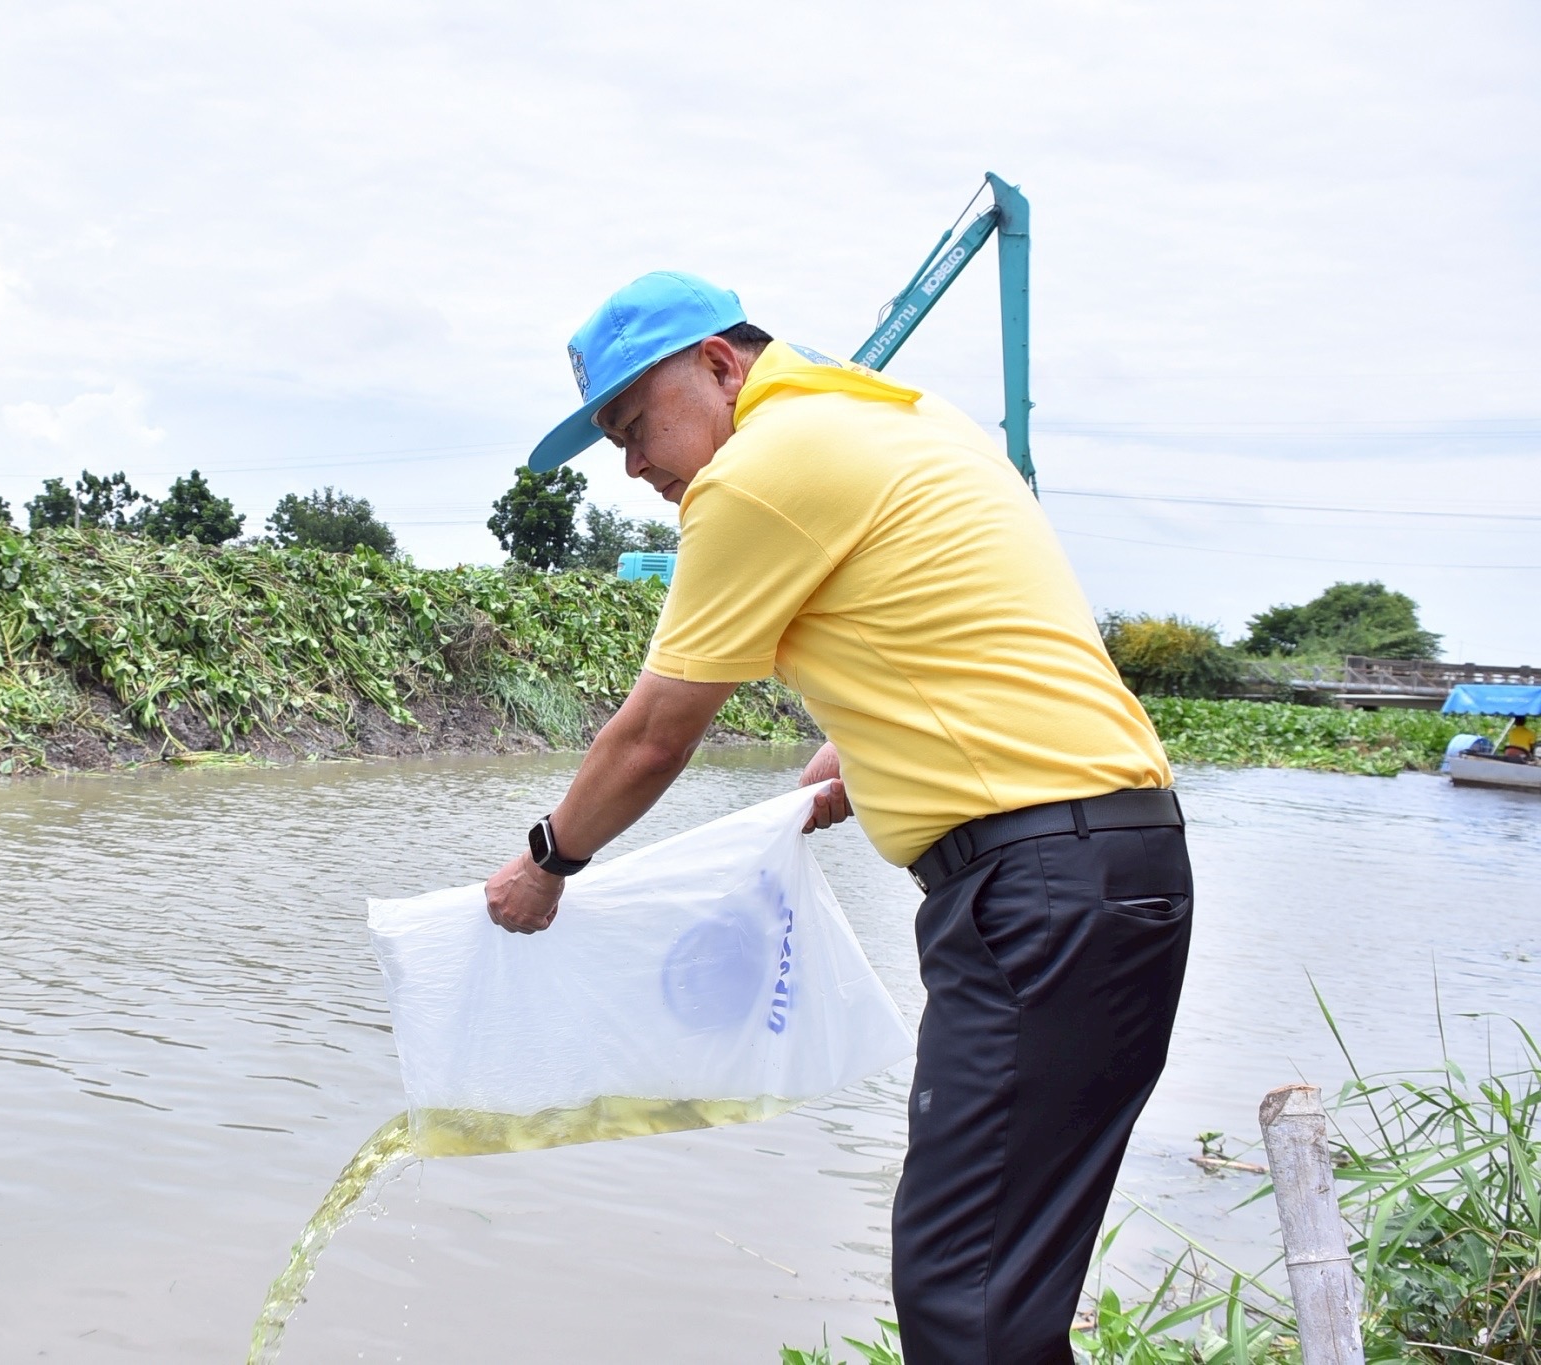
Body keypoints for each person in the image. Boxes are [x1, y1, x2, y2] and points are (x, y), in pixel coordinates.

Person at [484, 271, 1191, 1363]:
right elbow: (951, 623)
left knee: (966, 1295)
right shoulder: (900, 421)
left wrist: (546, 862)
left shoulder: (759, 469)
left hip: (1037, 892)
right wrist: (864, 746)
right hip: (1114, 866)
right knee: (1003, 1279)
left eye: (634, 426)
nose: (632, 467)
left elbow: (651, 735)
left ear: (719, 364)